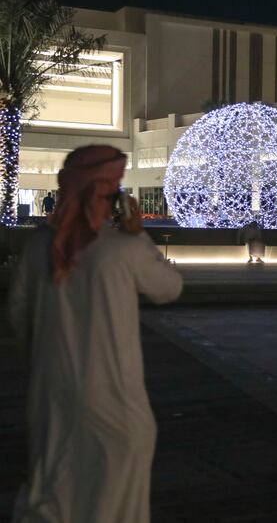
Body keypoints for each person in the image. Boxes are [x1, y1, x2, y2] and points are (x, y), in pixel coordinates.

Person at [9, 145, 183, 523]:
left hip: (52, 391)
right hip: (114, 395)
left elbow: (18, 316)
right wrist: (138, 236)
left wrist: (38, 363)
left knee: (56, 484)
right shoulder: (124, 248)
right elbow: (168, 288)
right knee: (116, 486)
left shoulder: (39, 246)